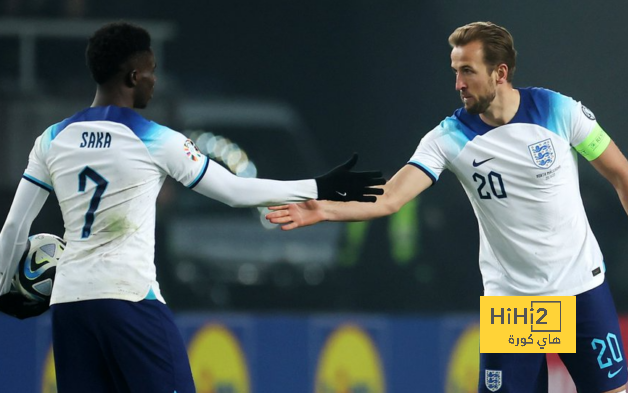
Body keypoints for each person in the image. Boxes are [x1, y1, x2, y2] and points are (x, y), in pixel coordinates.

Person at [0, 21, 385, 392]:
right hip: (130, 299)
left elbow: (14, 228)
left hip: (70, 307)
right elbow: (235, 190)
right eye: (151, 71)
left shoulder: (52, 138)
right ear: (133, 77)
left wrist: (4, 290)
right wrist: (319, 186)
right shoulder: (155, 139)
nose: (155, 80)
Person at [266, 21, 628, 393]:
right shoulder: (449, 137)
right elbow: (393, 196)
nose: (458, 83)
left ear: (500, 73)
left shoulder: (560, 111)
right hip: (514, 303)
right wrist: (325, 209)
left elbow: (624, 176)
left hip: (581, 288)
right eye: (455, 71)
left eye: (467, 72)